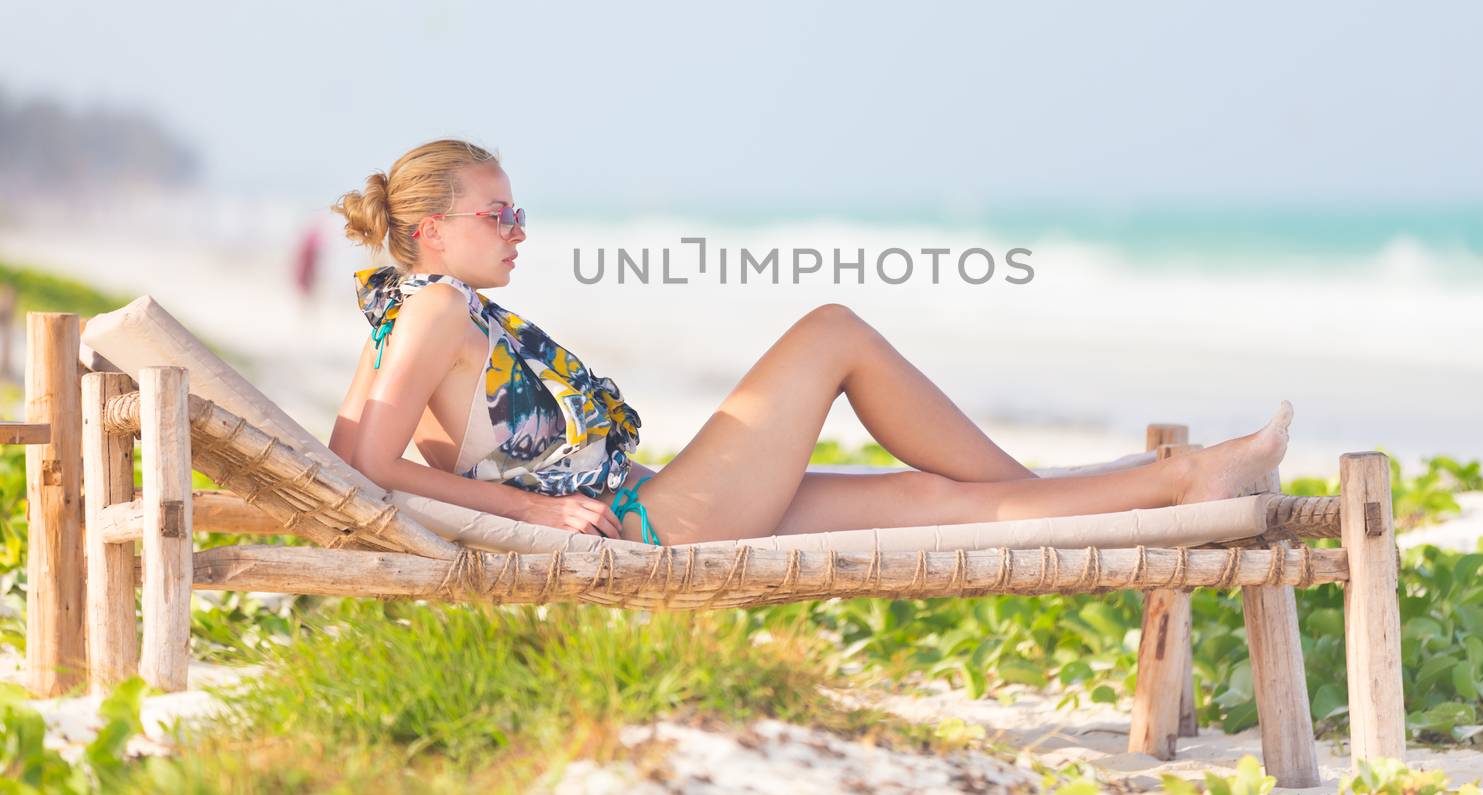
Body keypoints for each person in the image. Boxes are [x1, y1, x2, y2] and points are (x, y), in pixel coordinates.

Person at [329, 137, 1292, 547]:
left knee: (926, 497)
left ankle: (1179, 482)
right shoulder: (436, 309)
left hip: (638, 507)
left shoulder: (412, 309)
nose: (518, 228)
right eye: (500, 213)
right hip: (645, 531)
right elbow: (369, 464)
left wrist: (523, 510)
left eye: (518, 211)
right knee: (832, 331)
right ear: (429, 231)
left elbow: (341, 456)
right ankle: (1135, 487)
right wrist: (532, 519)